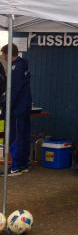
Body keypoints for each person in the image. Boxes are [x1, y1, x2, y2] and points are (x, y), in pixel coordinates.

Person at [1, 44, 32, 176]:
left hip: (17, 109)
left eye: (3, 54)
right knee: (23, 136)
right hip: (22, 107)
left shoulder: (16, 68)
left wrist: (4, 103)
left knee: (16, 137)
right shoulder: (21, 65)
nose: (2, 56)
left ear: (9, 54)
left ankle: (16, 166)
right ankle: (23, 164)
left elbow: (14, 91)